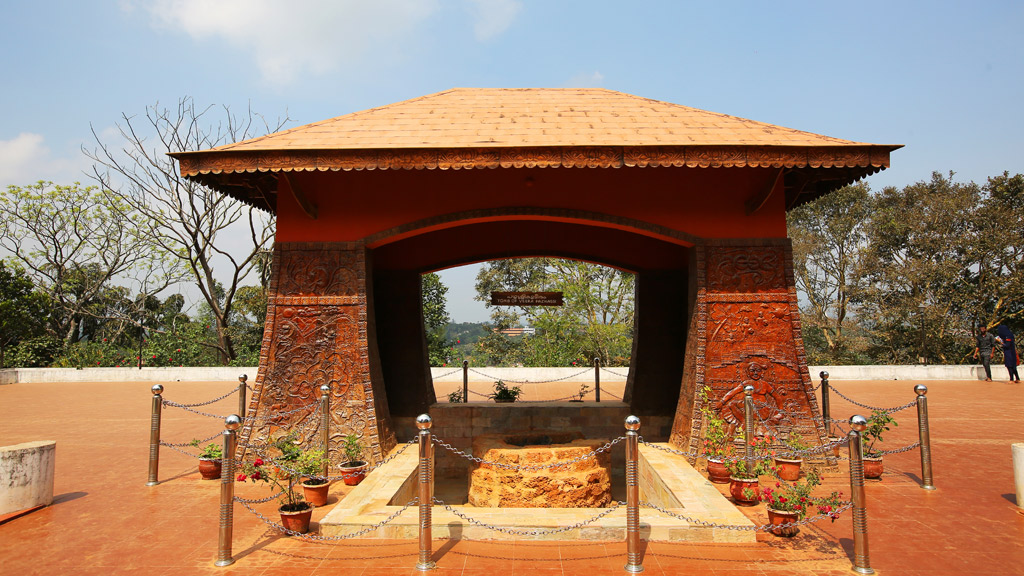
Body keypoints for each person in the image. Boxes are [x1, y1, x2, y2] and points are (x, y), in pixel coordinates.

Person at [715, 360, 785, 438]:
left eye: (758, 371)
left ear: (762, 372)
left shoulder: (765, 385)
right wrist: (722, 402)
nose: (755, 373)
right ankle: (743, 421)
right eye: (752, 371)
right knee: (731, 404)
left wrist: (781, 412)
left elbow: (777, 397)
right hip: (748, 408)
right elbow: (732, 392)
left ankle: (743, 424)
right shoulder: (746, 383)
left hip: (762, 411)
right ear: (748, 373)